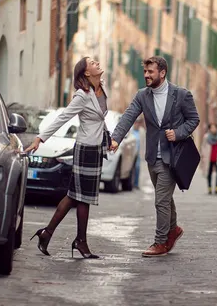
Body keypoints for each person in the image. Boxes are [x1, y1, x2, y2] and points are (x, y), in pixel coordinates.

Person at [110, 56, 200, 257]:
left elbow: (194, 119)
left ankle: (160, 242)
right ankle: (174, 229)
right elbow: (128, 116)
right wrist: (116, 138)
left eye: (150, 72)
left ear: (162, 73)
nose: (146, 75)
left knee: (160, 199)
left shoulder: (181, 95)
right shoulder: (143, 95)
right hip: (152, 156)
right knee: (164, 198)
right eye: (145, 72)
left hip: (172, 156)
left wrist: (178, 133)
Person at [25, 57, 108, 259]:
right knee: (81, 198)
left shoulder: (101, 91)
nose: (97, 62)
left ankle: (47, 233)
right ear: (86, 73)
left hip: (96, 149)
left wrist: (109, 139)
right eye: (92, 62)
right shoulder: (82, 95)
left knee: (76, 196)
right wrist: (40, 138)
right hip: (85, 150)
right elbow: (63, 117)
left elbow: (99, 121)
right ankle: (80, 241)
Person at [200, 123, 217, 195]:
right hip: (209, 157)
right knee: (209, 173)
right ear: (209, 129)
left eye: (214, 127)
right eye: (212, 128)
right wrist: (203, 155)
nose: (213, 129)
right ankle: (209, 188)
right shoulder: (206, 137)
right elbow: (203, 146)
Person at [131, 119, 143, 189]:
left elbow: (143, 142)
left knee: (137, 167)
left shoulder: (141, 131)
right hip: (131, 152)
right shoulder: (131, 130)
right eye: (136, 123)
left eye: (138, 123)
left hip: (138, 153)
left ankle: (136, 183)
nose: (137, 124)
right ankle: (130, 182)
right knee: (131, 167)